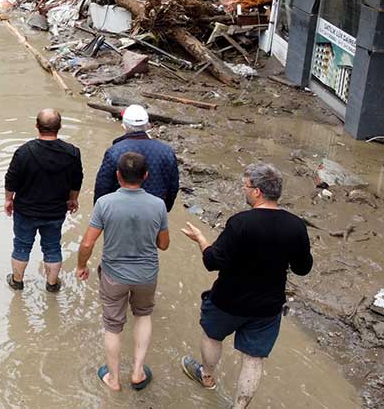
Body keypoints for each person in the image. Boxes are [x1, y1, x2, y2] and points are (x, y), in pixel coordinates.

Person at [180, 163, 312, 408]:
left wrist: (201, 239)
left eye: (246, 186)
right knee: (253, 358)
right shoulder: (296, 226)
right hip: (267, 305)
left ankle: (206, 376)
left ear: (258, 192)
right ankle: (239, 406)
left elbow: (212, 261)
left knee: (212, 336)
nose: (244, 190)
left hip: (227, 299)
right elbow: (303, 268)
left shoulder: (240, 223)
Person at [77, 152, 169, 392]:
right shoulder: (158, 205)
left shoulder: (104, 203)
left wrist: (81, 265)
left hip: (113, 275)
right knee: (143, 314)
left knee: (112, 326)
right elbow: (164, 244)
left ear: (117, 175)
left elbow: (88, 243)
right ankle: (138, 372)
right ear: (145, 176)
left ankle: (114, 379)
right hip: (146, 274)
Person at [4, 108, 83, 292]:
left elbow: (11, 179)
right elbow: (77, 180)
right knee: (52, 247)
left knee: (22, 245)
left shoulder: (24, 152)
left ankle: (17, 282)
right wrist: (73, 199)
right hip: (55, 211)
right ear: (60, 127)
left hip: (26, 211)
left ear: (36, 126)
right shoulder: (72, 153)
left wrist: (8, 200)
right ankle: (52, 285)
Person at [94, 104, 179, 212]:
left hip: (120, 211)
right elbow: (173, 185)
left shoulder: (114, 151)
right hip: (153, 212)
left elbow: (103, 185)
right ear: (148, 126)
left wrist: (99, 212)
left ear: (124, 126)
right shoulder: (166, 151)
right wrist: (164, 209)